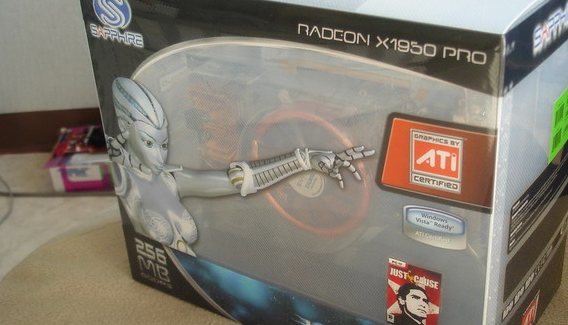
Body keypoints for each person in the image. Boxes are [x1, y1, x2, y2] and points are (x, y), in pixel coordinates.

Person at [108, 77, 374, 255]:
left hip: (195, 264)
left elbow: (243, 181)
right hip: (163, 265)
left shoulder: (173, 179)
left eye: (164, 144)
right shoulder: (123, 178)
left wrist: (303, 160)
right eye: (148, 142)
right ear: (124, 130)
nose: (159, 153)